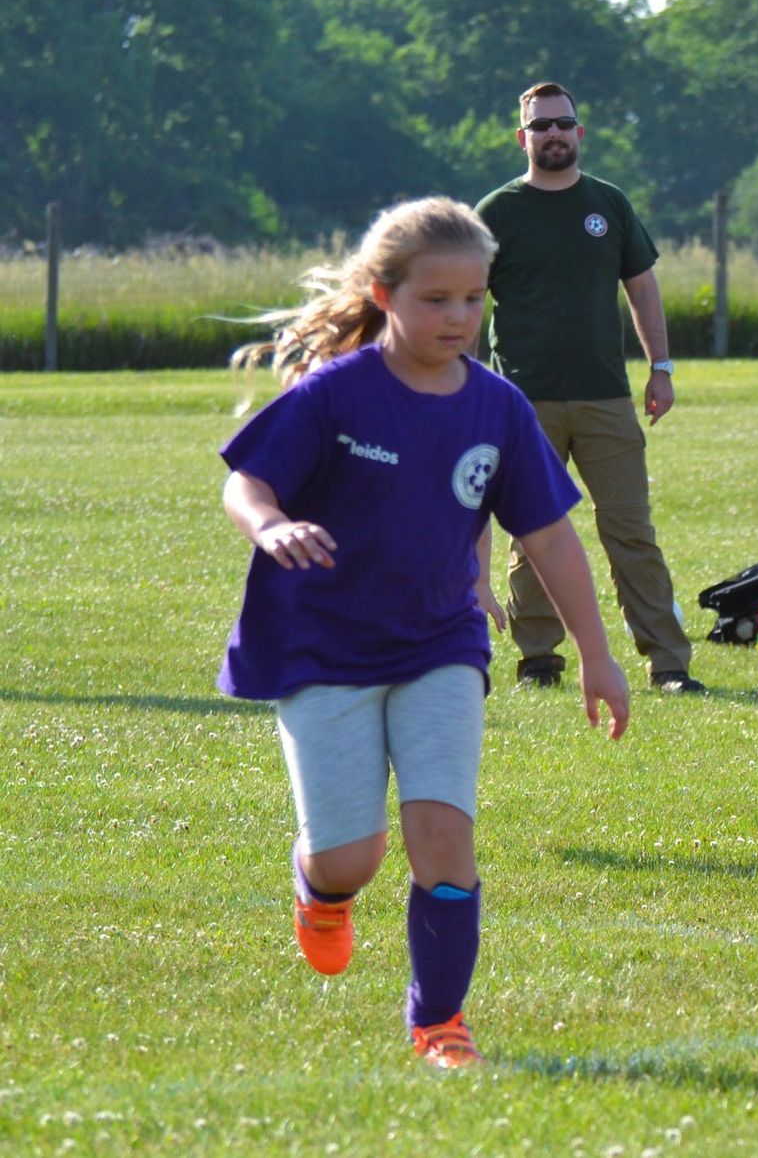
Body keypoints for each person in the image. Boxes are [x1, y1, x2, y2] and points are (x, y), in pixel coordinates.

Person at [218, 198, 631, 1068]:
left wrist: (597, 655)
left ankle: (437, 1020)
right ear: (385, 294)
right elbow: (246, 483)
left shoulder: (498, 407)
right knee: (353, 859)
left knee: (443, 835)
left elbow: (549, 534)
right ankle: (318, 888)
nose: (459, 318)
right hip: (322, 650)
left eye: (475, 300)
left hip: (441, 644)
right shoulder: (337, 394)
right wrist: (270, 526)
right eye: (437, 299)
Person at [477, 81, 704, 695]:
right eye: (540, 125)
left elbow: (643, 287)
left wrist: (662, 367)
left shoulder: (610, 204)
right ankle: (538, 661)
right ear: (522, 137)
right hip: (523, 401)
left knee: (631, 531)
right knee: (532, 530)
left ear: (580, 131)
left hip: (606, 395)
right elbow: (468, 301)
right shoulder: (496, 212)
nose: (552, 133)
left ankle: (669, 664)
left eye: (563, 123)